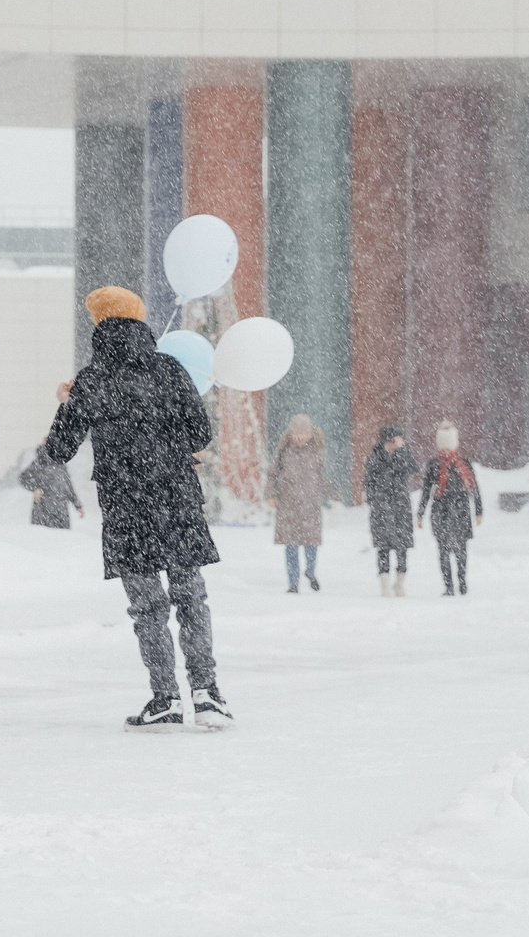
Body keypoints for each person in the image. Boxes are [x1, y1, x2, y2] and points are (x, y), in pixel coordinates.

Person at [42, 287, 228, 731]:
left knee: (148, 610)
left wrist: (70, 403)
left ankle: (165, 699)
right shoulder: (170, 368)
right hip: (178, 501)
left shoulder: (92, 379)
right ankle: (207, 695)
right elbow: (200, 432)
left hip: (128, 509)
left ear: (99, 327)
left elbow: (58, 449)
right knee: (192, 598)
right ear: (141, 322)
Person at [419, 422, 485, 597]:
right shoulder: (437, 465)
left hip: (457, 510)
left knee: (459, 550)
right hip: (444, 511)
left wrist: (478, 510)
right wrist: (420, 513)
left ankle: (460, 581)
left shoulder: (461, 464)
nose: (447, 450)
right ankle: (449, 585)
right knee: (445, 550)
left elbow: (474, 488)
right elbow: (426, 490)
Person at [271, 413, 328, 594]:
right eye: (296, 433)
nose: (299, 437)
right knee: (291, 545)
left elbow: (322, 476)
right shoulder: (283, 450)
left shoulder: (317, 451)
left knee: (311, 543)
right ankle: (293, 583)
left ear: (309, 433)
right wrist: (271, 494)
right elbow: (272, 473)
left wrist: (321, 493)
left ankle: (310, 572)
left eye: (303, 433)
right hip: (288, 504)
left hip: (310, 504)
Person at [364, 426, 417, 598]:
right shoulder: (375, 457)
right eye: (393, 439)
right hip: (381, 509)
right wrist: (374, 502)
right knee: (383, 547)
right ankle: (385, 585)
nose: (396, 442)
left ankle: (399, 583)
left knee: (402, 547)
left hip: (401, 508)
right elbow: (368, 482)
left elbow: (413, 467)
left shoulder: (403, 455)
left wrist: (401, 450)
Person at [17, 443, 82, 530]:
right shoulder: (39, 462)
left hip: (61, 512)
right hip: (43, 511)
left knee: (63, 540)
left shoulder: (61, 464)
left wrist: (78, 505)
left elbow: (68, 486)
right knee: (43, 539)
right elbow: (23, 478)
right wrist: (35, 488)